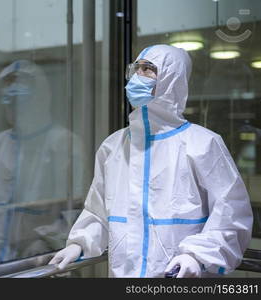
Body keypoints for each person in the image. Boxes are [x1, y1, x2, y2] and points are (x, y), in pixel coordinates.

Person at [49, 44, 253, 278]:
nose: (138, 76)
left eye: (148, 69)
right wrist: (80, 243)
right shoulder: (114, 146)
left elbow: (231, 214)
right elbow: (98, 211)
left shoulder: (203, 144)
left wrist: (197, 256)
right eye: (135, 69)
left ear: (171, 78)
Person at [0, 60, 84, 263]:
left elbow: (76, 207)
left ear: (41, 99)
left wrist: (47, 240)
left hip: (44, 258)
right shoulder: (0, 143)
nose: (13, 108)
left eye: (20, 100)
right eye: (8, 100)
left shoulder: (63, 143)